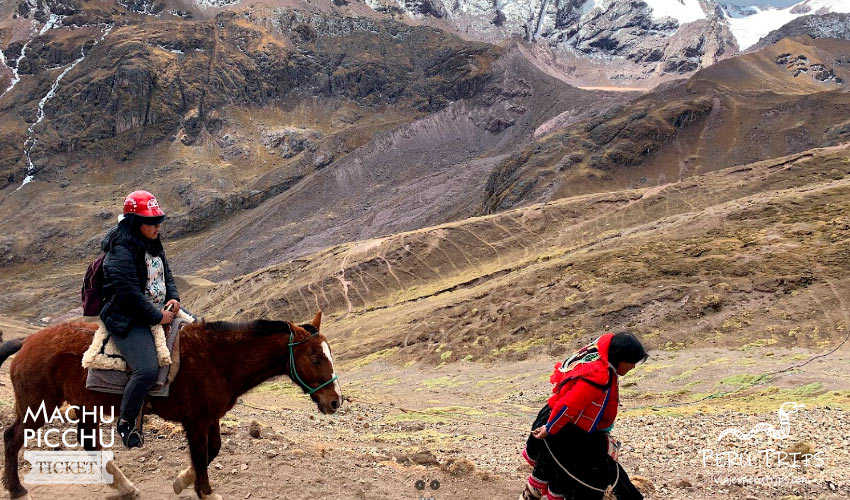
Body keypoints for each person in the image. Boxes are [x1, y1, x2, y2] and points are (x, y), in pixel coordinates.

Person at [520, 332, 648, 500]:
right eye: (632, 362)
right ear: (620, 359)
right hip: (565, 431)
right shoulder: (597, 375)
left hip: (571, 426)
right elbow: (568, 405)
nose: (633, 367)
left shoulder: (600, 357)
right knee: (576, 476)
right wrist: (549, 429)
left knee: (554, 472)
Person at [99, 190, 180, 448]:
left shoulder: (152, 240)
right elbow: (129, 295)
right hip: (127, 317)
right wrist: (158, 316)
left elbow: (166, 273)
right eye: (151, 222)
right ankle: (126, 420)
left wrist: (174, 298)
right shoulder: (121, 251)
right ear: (135, 222)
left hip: (158, 309)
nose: (158, 226)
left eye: (159, 221)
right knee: (146, 370)